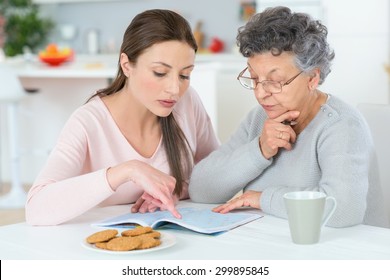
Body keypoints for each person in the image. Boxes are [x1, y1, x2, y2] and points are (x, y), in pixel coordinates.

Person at [189, 6, 389, 228]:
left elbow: (342, 210)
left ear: (312, 78)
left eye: (275, 81)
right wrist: (260, 149)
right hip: (275, 245)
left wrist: (262, 199)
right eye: (255, 78)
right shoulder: (258, 119)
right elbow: (200, 190)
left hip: (344, 250)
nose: (261, 93)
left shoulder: (343, 125)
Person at [26, 9, 219, 226]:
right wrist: (127, 170)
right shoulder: (89, 122)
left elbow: (217, 173)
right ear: (126, 65)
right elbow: (36, 209)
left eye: (185, 75)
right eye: (160, 72)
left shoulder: (187, 103)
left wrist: (176, 190)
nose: (175, 88)